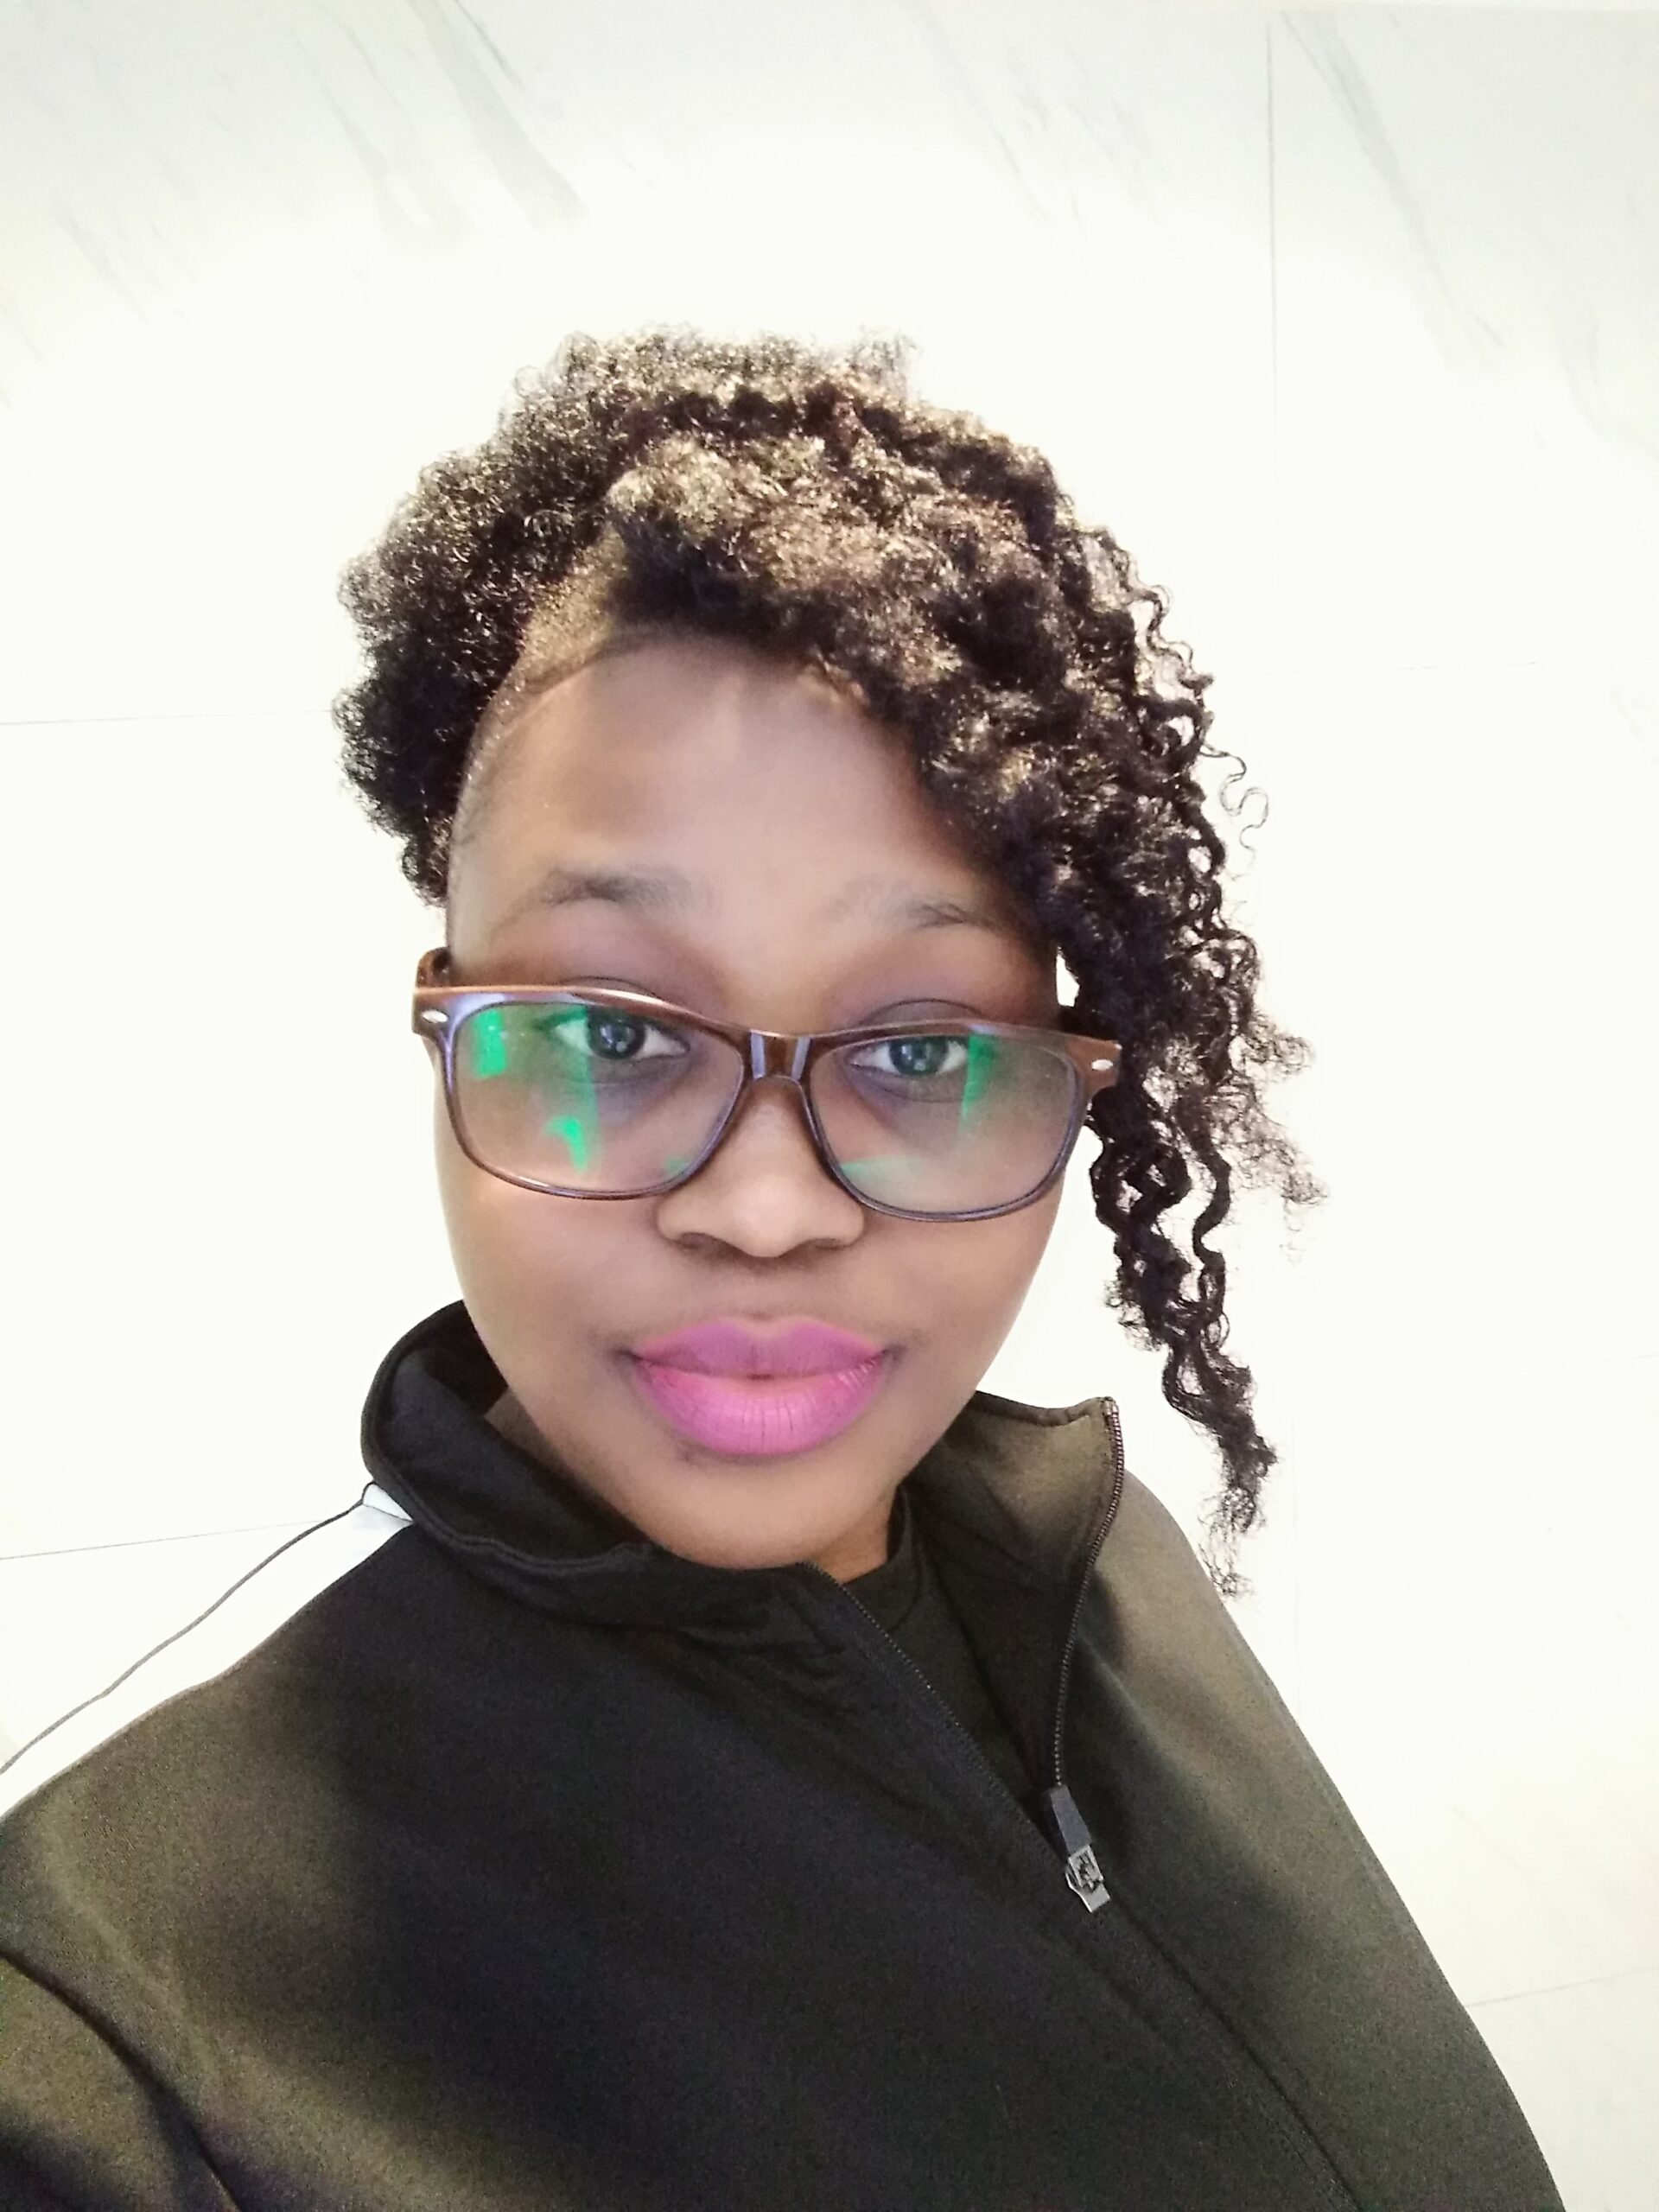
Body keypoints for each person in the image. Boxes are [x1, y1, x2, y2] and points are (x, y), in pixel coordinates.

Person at [0, 330, 1565, 2212]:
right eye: (607, 1033)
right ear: (442, 1025)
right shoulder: (103, 2037)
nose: (762, 1209)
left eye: (921, 1050)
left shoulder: (1103, 1566)